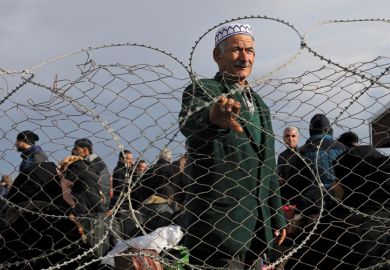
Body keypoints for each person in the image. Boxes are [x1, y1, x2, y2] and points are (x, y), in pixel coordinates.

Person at [179, 23, 286, 269]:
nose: (244, 57)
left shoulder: (260, 105)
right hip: (219, 227)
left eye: (250, 51)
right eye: (236, 50)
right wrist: (213, 118)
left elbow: (268, 165)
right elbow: (189, 122)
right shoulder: (206, 90)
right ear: (218, 55)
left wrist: (276, 214)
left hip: (259, 229)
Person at [133, 147, 178, 231]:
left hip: (147, 205)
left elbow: (138, 190)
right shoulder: (173, 170)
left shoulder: (149, 170)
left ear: (159, 157)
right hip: (166, 206)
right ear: (170, 158)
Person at [73, 138, 111, 207]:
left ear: (85, 150)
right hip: (103, 203)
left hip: (92, 205)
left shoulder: (86, 165)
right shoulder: (98, 163)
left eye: (76, 149)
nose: (73, 152)